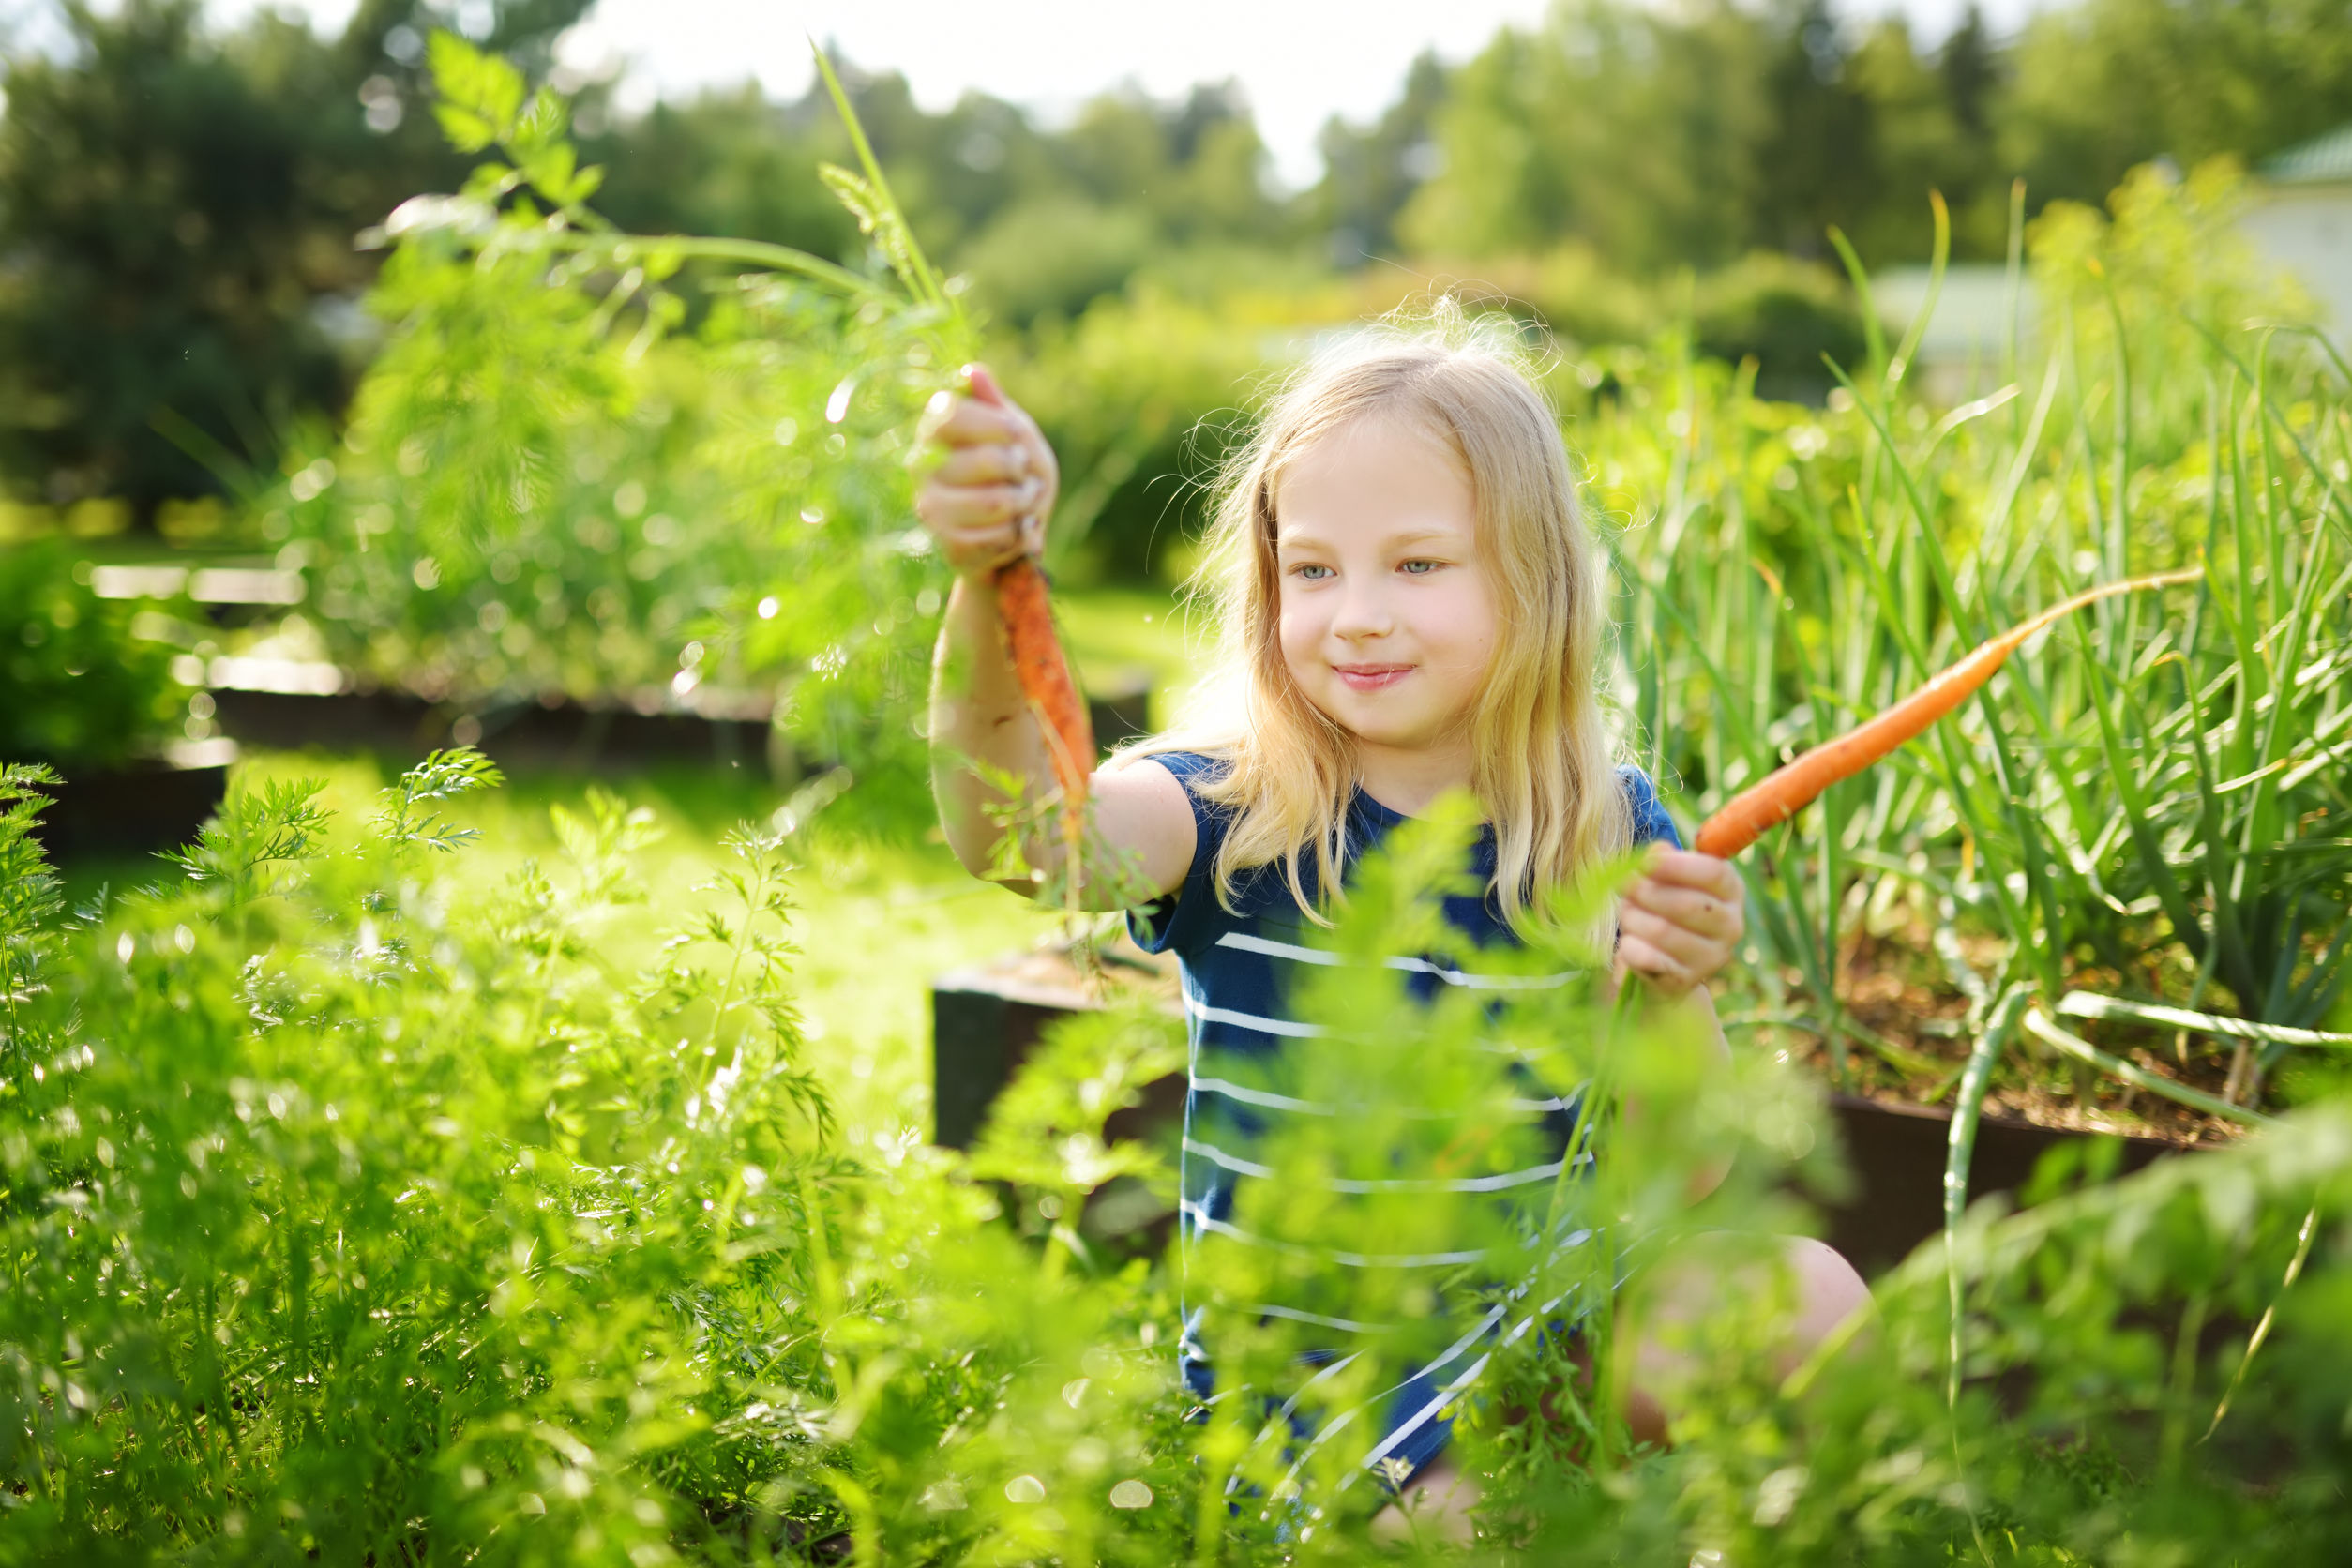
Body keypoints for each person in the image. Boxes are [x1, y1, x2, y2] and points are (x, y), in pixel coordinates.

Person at [914, 309, 1868, 1543]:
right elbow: (1023, 840)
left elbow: (1684, 1171)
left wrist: (1673, 990)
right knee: (1475, 1539)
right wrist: (990, 585)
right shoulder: (1228, 811)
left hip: (1543, 1339)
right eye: (1314, 570)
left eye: (1417, 565)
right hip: (1326, 1399)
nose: (1357, 614)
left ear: (1534, 578)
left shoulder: (1600, 827)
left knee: (1811, 1302)